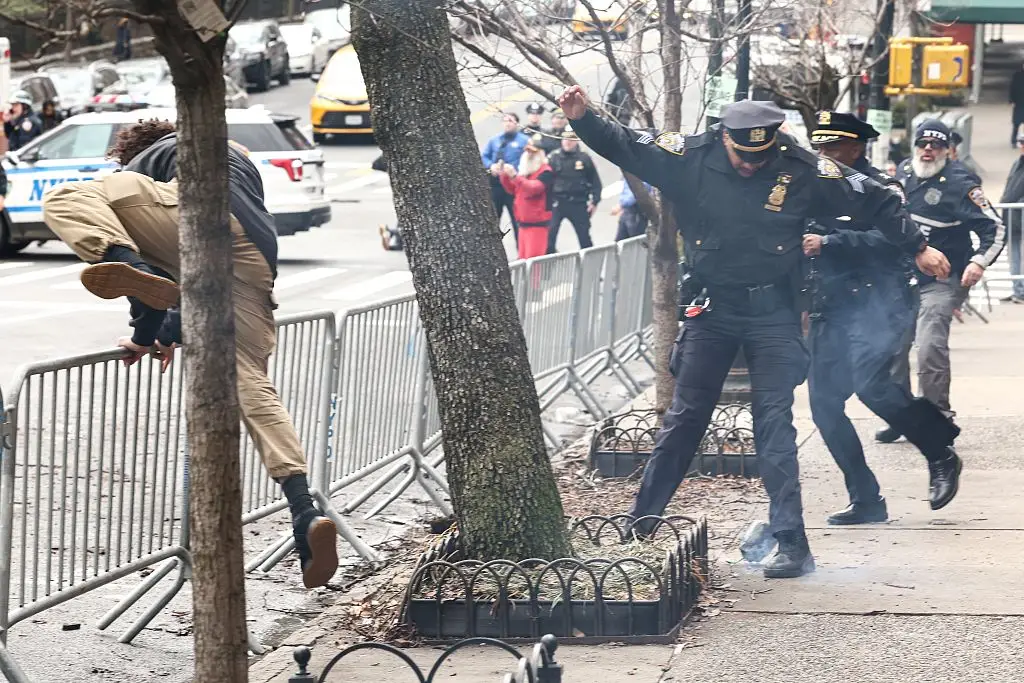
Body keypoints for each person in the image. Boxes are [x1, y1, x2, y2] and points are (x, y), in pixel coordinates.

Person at [558, 85, 948, 579]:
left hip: (774, 313)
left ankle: (792, 543)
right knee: (684, 421)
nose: (750, 165)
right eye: (742, 155)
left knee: (774, 427)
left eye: (760, 156)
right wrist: (582, 117)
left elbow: (876, 198)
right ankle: (640, 529)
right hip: (712, 309)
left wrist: (916, 246)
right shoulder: (690, 155)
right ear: (724, 137)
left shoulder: (802, 165)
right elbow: (626, 144)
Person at [40, 120, 340, 590]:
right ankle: (304, 511)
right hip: (254, 259)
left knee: (66, 198)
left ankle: (121, 257)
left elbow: (162, 274)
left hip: (197, 218)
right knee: (253, 387)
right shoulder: (239, 160)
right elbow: (191, 288)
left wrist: (143, 325)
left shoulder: (156, 156)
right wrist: (162, 328)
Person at [804, 111, 963, 524]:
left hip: (881, 300)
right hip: (831, 304)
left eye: (832, 148)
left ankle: (939, 452)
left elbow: (892, 241)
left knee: (872, 387)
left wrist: (831, 241)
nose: (822, 155)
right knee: (823, 405)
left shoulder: (879, 187)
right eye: (818, 147)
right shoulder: (810, 185)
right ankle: (866, 499)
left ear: (855, 149)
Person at [876, 120, 1005, 442]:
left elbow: (996, 228)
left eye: (936, 144)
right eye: (922, 143)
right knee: (892, 348)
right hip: (903, 278)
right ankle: (904, 416)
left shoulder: (962, 184)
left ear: (949, 149)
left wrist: (978, 262)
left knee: (929, 345)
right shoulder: (903, 173)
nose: (928, 150)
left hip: (943, 278)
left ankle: (937, 419)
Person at [545, 127, 601, 253]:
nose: (567, 142)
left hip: (578, 203)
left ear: (576, 140)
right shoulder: (553, 157)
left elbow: (595, 182)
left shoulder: (584, 158)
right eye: (565, 139)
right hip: (557, 203)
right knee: (550, 235)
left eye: (570, 139)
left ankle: (588, 266)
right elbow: (545, 182)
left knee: (584, 238)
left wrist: (595, 202)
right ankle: (548, 265)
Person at [499, 133, 554, 259]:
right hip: (523, 223)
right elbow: (514, 190)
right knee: (523, 259)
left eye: (533, 152)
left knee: (533, 260)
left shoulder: (546, 172)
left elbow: (534, 188)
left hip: (537, 224)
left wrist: (514, 176)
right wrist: (505, 175)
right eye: (528, 152)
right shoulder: (525, 172)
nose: (529, 155)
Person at [481, 112, 529, 244]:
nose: (508, 123)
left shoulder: (524, 140)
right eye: (505, 120)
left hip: (514, 186)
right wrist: (491, 166)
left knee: (517, 220)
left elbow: (530, 160)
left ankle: (521, 250)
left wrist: (514, 171)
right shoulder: (495, 140)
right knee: (493, 218)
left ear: (517, 123)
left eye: (511, 120)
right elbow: (484, 156)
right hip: (496, 185)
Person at [998, 125, 1024, 304]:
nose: (1021, 145)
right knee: (1013, 254)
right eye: (1020, 141)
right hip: (1011, 215)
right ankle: (1018, 289)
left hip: (1020, 213)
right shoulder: (1018, 163)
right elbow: (1010, 187)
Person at [612, 174, 652, 241]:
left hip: (637, 212)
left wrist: (621, 205)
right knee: (620, 241)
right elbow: (625, 188)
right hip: (626, 211)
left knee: (637, 240)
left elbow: (642, 189)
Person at [1010, 62, 1024, 148]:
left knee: (1017, 122)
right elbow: (1013, 87)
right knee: (1016, 123)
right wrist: (1012, 100)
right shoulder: (1017, 75)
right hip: (1019, 102)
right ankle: (1013, 140)